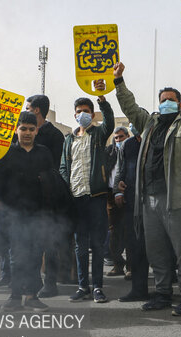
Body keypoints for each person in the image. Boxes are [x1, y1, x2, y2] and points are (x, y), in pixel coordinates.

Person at [112, 60, 181, 316]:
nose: (166, 102)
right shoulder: (150, 123)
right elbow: (130, 107)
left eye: (171, 99)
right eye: (163, 99)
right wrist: (118, 82)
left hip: (178, 198)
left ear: (179, 104)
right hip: (149, 199)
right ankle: (162, 293)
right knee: (156, 250)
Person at [0, 111, 54, 311]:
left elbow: (53, 180)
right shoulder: (6, 153)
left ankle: (33, 296)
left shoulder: (44, 153)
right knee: (16, 255)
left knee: (35, 255)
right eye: (23, 128)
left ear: (37, 131)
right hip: (13, 213)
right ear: (16, 130)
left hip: (38, 212)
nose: (27, 133)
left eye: (31, 129)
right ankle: (15, 296)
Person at [60, 81, 114, 304]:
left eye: (86, 111)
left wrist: (101, 96)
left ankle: (98, 287)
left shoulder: (99, 134)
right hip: (76, 199)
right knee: (80, 245)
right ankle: (83, 286)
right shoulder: (70, 139)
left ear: (93, 114)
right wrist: (66, 189)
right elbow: (64, 167)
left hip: (96, 198)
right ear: (74, 116)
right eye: (79, 112)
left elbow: (110, 122)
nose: (82, 114)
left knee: (97, 244)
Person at [25, 94, 69, 298]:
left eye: (28, 107)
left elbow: (57, 166)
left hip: (49, 196)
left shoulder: (54, 135)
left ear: (36, 110)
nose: (27, 133)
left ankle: (50, 282)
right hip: (28, 198)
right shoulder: (24, 134)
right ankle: (32, 282)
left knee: (50, 242)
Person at [114, 124, 150, 302]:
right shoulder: (127, 145)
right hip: (131, 203)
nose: (134, 126)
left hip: (153, 201)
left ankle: (165, 290)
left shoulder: (154, 141)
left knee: (157, 248)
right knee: (134, 247)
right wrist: (118, 190)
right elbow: (120, 170)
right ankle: (138, 288)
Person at [106, 126, 129, 277]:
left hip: (128, 194)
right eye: (116, 138)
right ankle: (117, 264)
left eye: (121, 137)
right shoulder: (109, 152)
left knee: (130, 231)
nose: (119, 140)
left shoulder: (132, 150)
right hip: (111, 196)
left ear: (127, 136)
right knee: (113, 232)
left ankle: (132, 267)